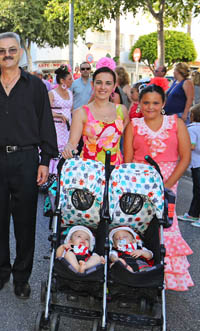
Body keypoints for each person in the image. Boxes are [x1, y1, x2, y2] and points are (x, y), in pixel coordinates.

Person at [0, 32, 57, 299]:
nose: (7, 55)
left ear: (21, 52)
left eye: (12, 50)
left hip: (26, 159)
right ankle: (1, 272)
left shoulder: (36, 86)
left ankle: (21, 277)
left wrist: (45, 161)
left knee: (25, 221)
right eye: (1, 51)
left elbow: (46, 123)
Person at [123, 84, 193, 291]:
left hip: (168, 182)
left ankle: (165, 277)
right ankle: (136, 270)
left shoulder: (176, 123)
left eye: (155, 103)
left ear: (163, 103)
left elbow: (185, 158)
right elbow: (127, 161)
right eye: (146, 102)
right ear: (139, 103)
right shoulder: (133, 126)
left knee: (165, 225)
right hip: (139, 183)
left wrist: (167, 185)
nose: (150, 107)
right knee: (138, 224)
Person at [62, 67, 129, 165]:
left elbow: (127, 142)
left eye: (108, 83)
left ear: (114, 86)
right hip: (89, 170)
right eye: (99, 82)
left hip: (116, 170)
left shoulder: (122, 110)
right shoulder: (81, 113)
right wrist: (68, 148)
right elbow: (72, 143)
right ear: (92, 85)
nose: (103, 87)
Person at [48, 65, 73, 175]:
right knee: (56, 149)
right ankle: (52, 174)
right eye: (69, 79)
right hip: (56, 127)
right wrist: (59, 115)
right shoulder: (52, 93)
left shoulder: (70, 93)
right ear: (62, 80)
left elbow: (70, 109)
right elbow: (46, 112)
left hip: (67, 127)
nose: (72, 81)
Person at [179, 104, 200, 226]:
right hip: (197, 163)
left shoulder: (191, 129)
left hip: (197, 164)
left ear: (192, 116)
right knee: (197, 190)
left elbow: (191, 145)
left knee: (198, 189)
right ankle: (193, 213)